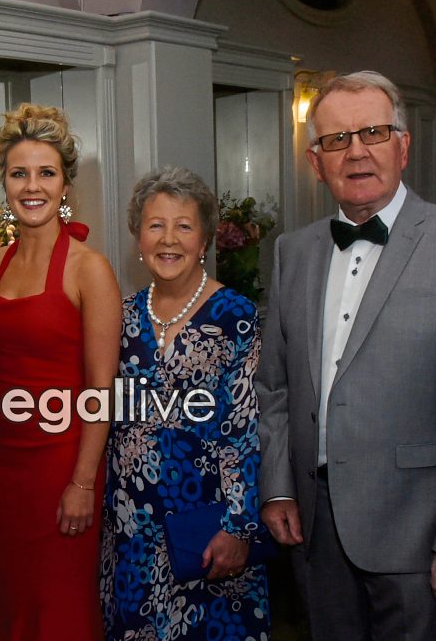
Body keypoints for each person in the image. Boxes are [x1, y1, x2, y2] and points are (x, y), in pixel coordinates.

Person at [256, 70, 436, 640]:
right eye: (337, 139)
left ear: (403, 147)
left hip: (419, 528)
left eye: (373, 133)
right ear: (315, 162)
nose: (356, 152)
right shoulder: (292, 252)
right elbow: (275, 388)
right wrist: (279, 487)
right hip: (313, 524)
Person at [99, 166, 270, 640]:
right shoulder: (121, 314)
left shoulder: (236, 316)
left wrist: (239, 526)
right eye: (155, 225)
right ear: (138, 237)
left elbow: (244, 428)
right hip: (131, 525)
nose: (168, 239)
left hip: (208, 523)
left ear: (205, 239)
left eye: (184, 226)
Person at [0, 103, 121, 640]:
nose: (32, 186)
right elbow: (4, 351)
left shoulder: (90, 268)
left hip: (64, 462)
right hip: (4, 459)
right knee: (13, 595)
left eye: (46, 173)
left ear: (65, 183)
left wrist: (83, 482)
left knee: (59, 605)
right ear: (5, 182)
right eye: (19, 173)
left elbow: (101, 391)